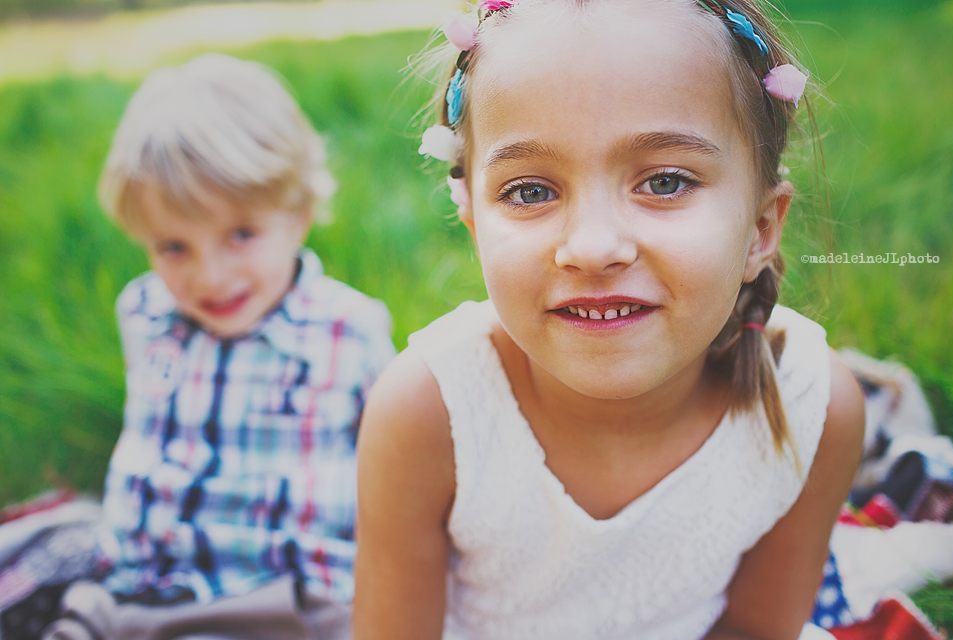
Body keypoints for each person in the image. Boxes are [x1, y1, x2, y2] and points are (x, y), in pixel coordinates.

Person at [353, 1, 865, 639]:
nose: (593, 247)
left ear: (760, 229)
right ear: (475, 228)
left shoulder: (813, 406)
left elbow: (756, 628)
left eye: (666, 182)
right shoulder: (429, 413)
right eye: (531, 191)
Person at [42, 53, 395, 640]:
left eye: (241, 235)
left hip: (289, 603)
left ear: (298, 216)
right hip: (140, 593)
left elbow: (400, 473)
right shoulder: (145, 312)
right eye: (173, 248)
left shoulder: (347, 329)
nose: (208, 277)